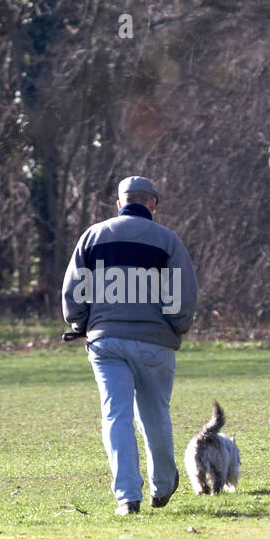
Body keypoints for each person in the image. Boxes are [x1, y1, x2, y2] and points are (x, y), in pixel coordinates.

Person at [62, 175, 198, 515]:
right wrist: (177, 326)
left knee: (116, 416)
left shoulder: (93, 236)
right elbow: (184, 295)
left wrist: (79, 322)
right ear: (152, 204)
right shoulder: (167, 240)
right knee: (155, 415)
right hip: (155, 342)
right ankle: (163, 484)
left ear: (119, 203)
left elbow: (73, 292)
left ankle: (127, 497)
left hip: (106, 341)